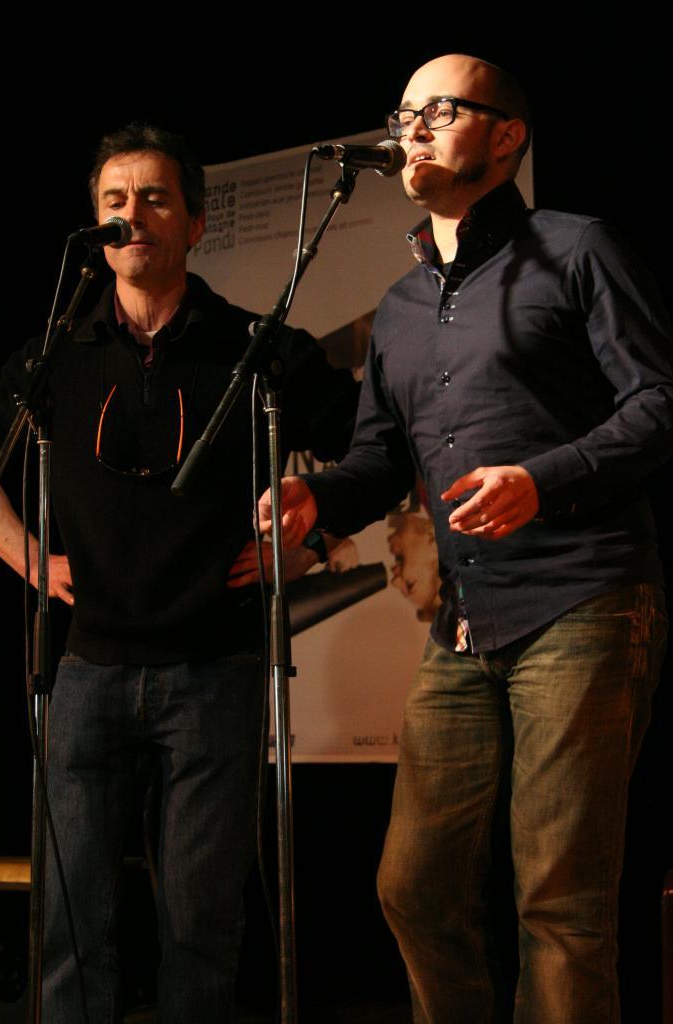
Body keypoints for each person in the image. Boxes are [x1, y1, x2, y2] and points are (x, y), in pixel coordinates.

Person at [260, 54, 672, 1023]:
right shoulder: (400, 308)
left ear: (503, 135)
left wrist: (543, 478)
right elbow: (374, 459)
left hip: (583, 599)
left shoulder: (577, 249)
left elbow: (659, 400)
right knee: (413, 885)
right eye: (402, 114)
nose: (411, 129)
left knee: (557, 899)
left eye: (437, 110)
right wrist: (316, 501)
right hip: (463, 619)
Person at [0, 123, 358, 1022]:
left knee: (199, 921)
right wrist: (24, 554)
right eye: (114, 202)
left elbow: (372, 451)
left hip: (215, 669)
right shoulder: (53, 354)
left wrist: (305, 544)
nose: (132, 216)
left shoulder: (253, 347)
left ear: (195, 224)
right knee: (73, 924)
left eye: (154, 198)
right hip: (84, 671)